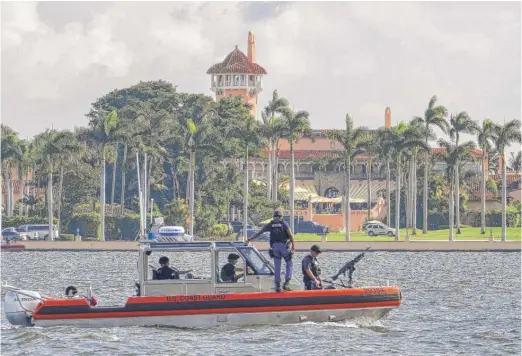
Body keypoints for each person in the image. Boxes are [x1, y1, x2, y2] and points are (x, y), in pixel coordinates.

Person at [247, 210, 296, 292]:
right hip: (283, 246)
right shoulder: (284, 223)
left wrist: (250, 239)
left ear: (274, 217)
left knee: (277, 266)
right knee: (289, 263)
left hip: (274, 248)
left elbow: (259, 232)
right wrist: (293, 246)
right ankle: (286, 283)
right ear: (281, 217)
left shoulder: (270, 224)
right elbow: (291, 235)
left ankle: (278, 286)